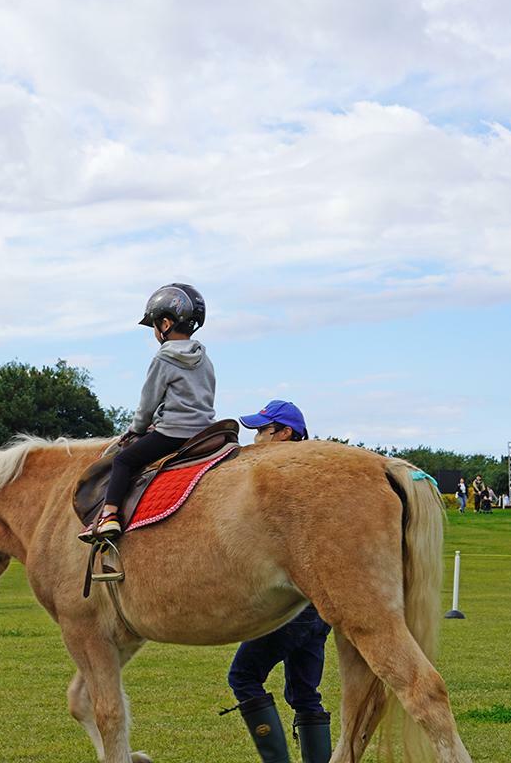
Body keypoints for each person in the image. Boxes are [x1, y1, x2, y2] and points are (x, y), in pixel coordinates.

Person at [227, 400, 331, 763]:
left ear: (284, 433)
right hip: (320, 606)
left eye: (262, 431)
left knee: (242, 676)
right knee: (305, 694)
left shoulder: (283, 481)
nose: (255, 439)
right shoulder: (316, 475)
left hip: (291, 602)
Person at [79, 283, 215, 541]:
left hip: (174, 433)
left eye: (154, 325)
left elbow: (147, 403)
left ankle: (109, 515)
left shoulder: (164, 358)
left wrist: (136, 429)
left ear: (165, 324)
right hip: (206, 431)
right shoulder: (204, 357)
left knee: (123, 461)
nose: (154, 331)